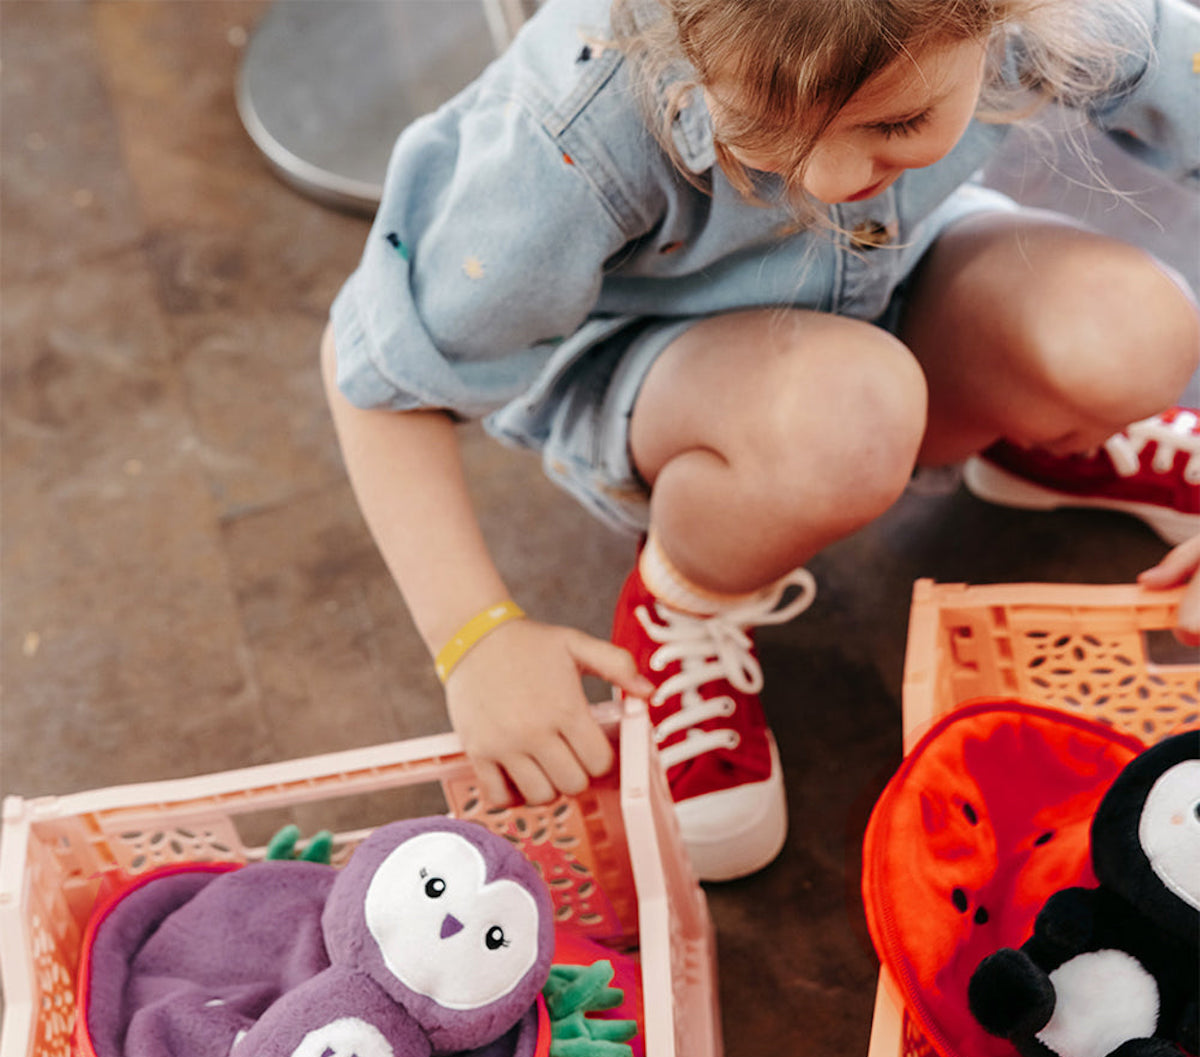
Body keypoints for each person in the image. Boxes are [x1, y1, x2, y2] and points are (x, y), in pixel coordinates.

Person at [323, 0, 1200, 882]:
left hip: (894, 267)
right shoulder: (571, 124)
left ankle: (1028, 433)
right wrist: (475, 636)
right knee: (849, 416)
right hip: (668, 376)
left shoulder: (1061, 14)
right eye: (761, 124)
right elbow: (376, 377)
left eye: (896, 120)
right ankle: (685, 593)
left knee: (1137, 332)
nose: (825, 178)